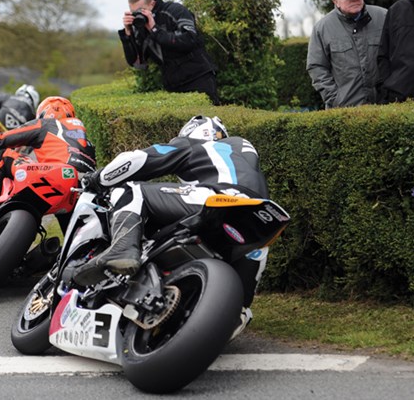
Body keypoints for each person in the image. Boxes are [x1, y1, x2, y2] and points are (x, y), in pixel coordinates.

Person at [70, 115, 269, 337]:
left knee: (131, 190)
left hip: (217, 200)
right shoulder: (245, 155)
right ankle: (235, 313)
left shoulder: (198, 145)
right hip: (261, 217)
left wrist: (98, 179)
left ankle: (123, 248)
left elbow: (139, 160)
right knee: (254, 260)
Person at [0, 96, 96, 237]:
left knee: (2, 154)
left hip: (54, 175)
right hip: (78, 191)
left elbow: (3, 139)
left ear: (44, 112)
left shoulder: (46, 124)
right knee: (72, 236)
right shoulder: (87, 141)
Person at [118, 0, 220, 105]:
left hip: (199, 77)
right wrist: (127, 33)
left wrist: (154, 28)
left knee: (209, 119)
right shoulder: (139, 26)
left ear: (152, 3)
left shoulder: (175, 10)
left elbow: (190, 39)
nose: (139, 15)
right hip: (172, 85)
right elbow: (137, 62)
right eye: (134, 12)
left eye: (142, 10)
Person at [307, 0, 387, 108]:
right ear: (335, 1)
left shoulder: (383, 17)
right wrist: (336, 100)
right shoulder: (322, 28)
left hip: (384, 108)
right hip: (343, 113)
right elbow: (316, 67)